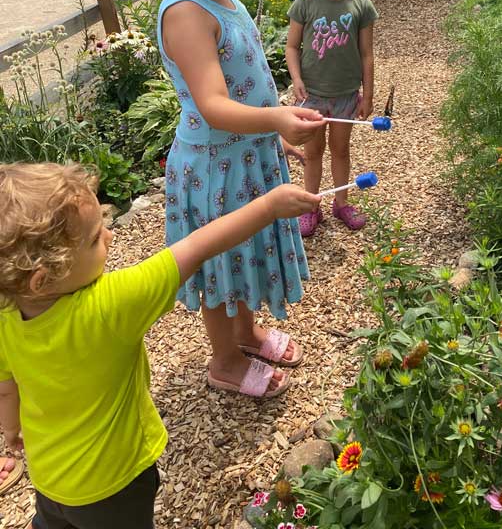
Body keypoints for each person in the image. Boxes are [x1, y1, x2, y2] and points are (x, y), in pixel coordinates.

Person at [0, 162, 319, 529]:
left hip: (49, 479)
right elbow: (197, 247)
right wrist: (268, 207)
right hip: (114, 485)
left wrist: (10, 430)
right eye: (93, 238)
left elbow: (7, 388)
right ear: (42, 280)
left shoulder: (6, 315)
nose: (110, 237)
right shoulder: (111, 306)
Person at [159, 0, 326, 398]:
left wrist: (270, 134)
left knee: (244, 254)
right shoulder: (186, 12)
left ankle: (247, 331)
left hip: (245, 157)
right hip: (214, 169)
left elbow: (244, 86)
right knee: (218, 267)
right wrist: (276, 118)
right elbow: (212, 106)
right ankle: (225, 361)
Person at [286, 0, 378, 238]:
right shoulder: (305, 5)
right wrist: (295, 78)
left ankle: (341, 203)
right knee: (313, 153)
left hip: (344, 97)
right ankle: (312, 207)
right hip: (311, 95)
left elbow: (366, 53)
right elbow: (291, 46)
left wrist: (367, 95)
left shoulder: (361, 5)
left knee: (340, 150)